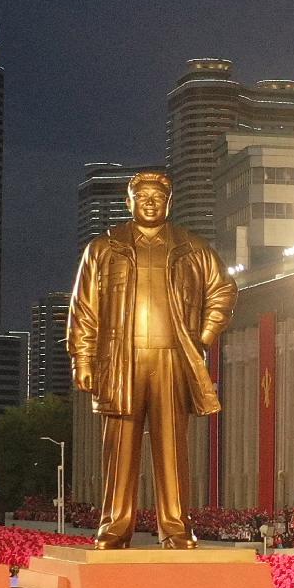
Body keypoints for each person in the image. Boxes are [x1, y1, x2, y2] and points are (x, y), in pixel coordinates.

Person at [69, 169, 236, 549]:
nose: (149, 202)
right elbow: (84, 308)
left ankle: (176, 527)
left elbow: (223, 291)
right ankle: (114, 525)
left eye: (156, 197)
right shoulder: (104, 247)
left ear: (168, 203)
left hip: (172, 358)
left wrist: (202, 337)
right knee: (120, 449)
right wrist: (83, 358)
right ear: (128, 202)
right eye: (141, 196)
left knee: (172, 448)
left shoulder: (191, 248)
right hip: (121, 358)